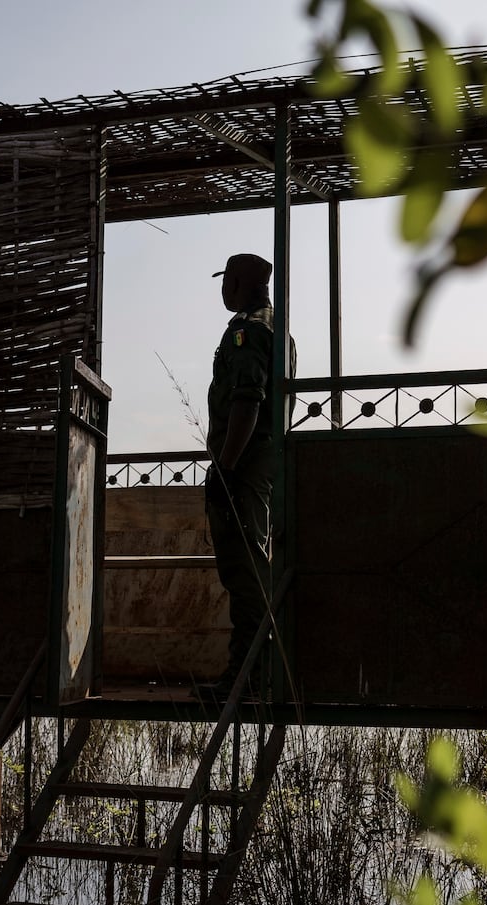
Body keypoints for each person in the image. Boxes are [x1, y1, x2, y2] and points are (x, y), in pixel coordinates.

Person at [200, 252, 293, 701]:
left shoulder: (246, 330)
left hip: (244, 464)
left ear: (239, 283)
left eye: (226, 282)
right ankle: (253, 672)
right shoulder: (280, 329)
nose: (222, 290)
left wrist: (226, 467)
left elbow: (247, 402)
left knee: (245, 569)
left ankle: (247, 678)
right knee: (253, 565)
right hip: (265, 463)